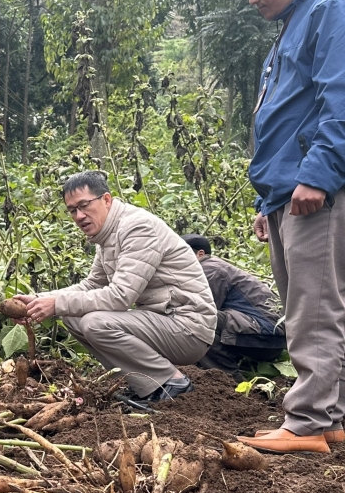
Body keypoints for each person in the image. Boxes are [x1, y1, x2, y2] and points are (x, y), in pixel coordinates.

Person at [231, 0, 345, 454]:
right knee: (314, 304)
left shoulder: (335, 11)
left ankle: (308, 423)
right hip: (287, 193)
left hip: (319, 187)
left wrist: (318, 174)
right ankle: (329, 419)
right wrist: (266, 200)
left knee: (312, 308)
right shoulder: (293, 26)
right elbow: (282, 119)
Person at [14, 171, 217, 402]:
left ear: (107, 200)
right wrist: (38, 300)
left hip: (188, 327)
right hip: (162, 322)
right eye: (72, 210)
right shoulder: (107, 235)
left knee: (94, 323)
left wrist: (56, 304)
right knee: (72, 316)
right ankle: (144, 384)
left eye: (84, 205)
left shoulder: (137, 227)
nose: (79, 216)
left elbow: (120, 297)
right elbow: (91, 285)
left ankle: (171, 383)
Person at [181, 235, 286, 378]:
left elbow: (199, 311)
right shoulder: (216, 266)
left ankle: (228, 380)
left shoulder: (209, 269)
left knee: (197, 319)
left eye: (182, 253)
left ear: (200, 254)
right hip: (267, 334)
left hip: (267, 334)